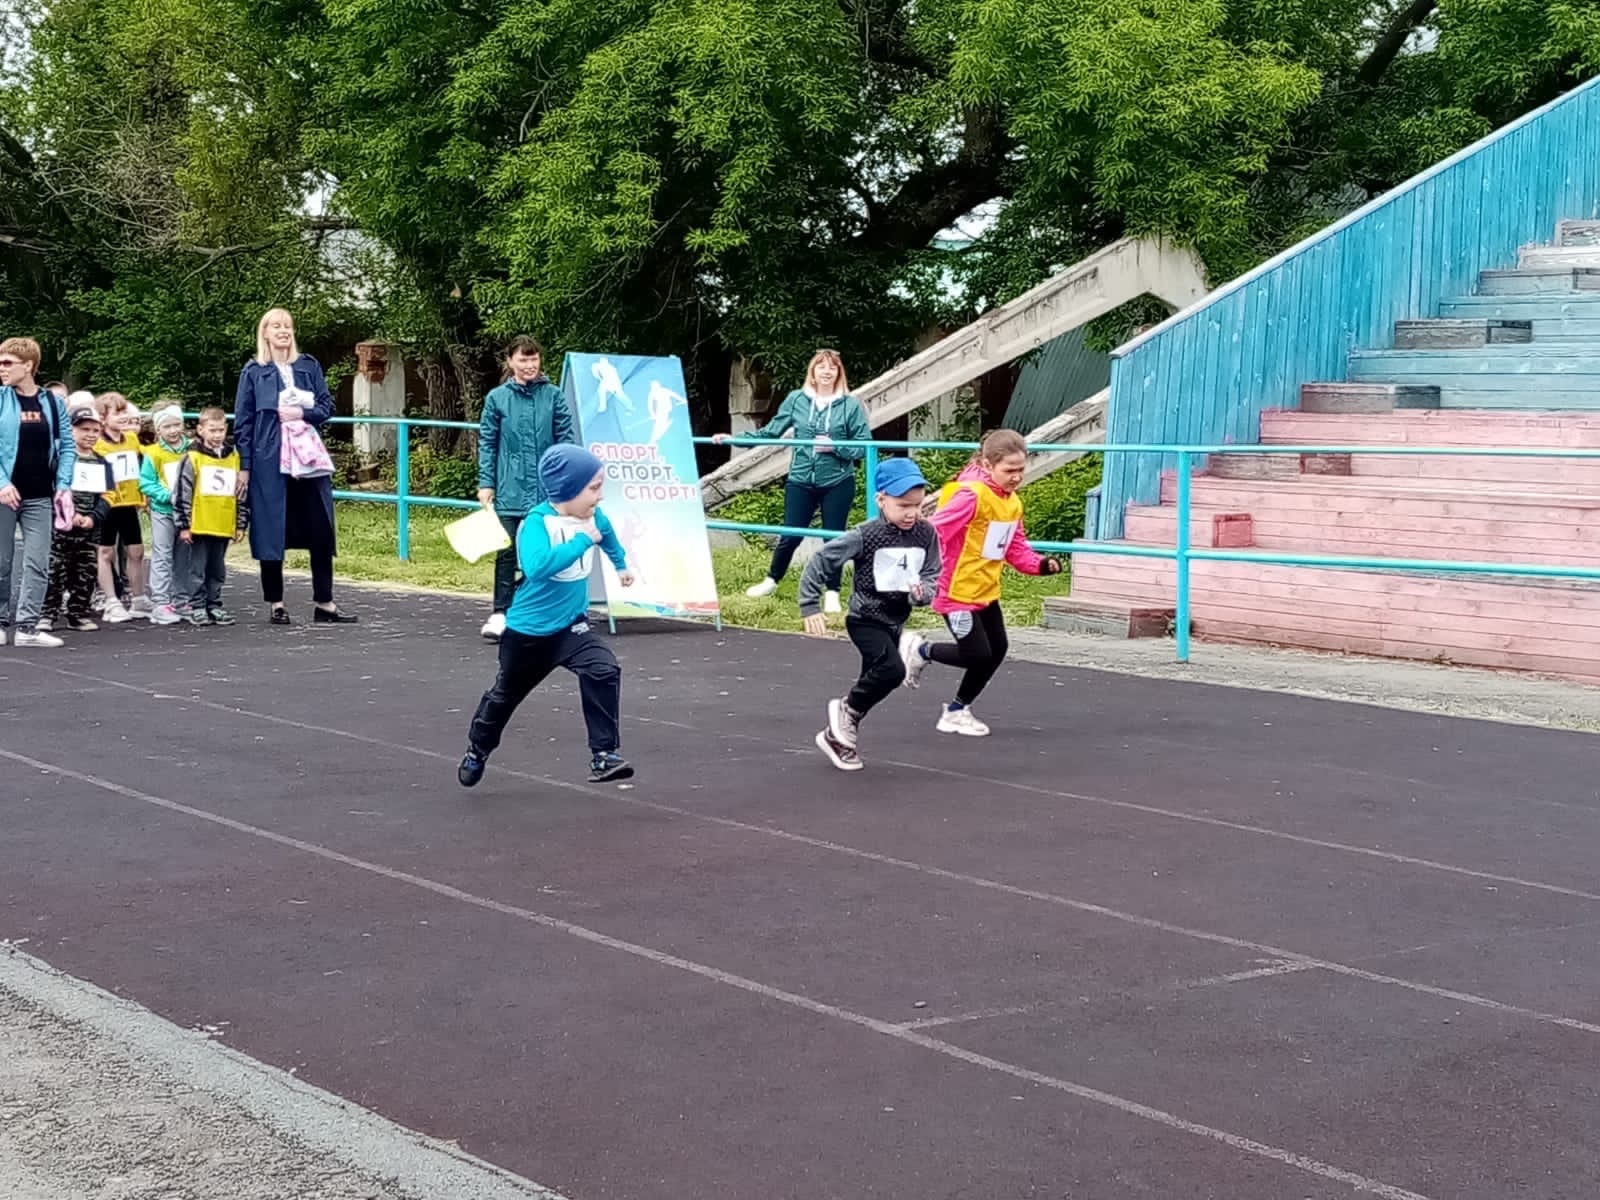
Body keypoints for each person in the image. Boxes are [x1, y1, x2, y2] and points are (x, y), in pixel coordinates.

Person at [458, 444, 637, 789]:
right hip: (528, 634)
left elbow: (608, 534)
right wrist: (583, 542)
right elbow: (539, 567)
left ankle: (604, 755)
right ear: (566, 490)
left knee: (603, 669)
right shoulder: (537, 524)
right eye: (593, 488)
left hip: (571, 627)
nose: (600, 497)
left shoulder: (593, 518)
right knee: (504, 696)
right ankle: (478, 749)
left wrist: (621, 565)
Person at [900, 429, 1062, 737]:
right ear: (988, 466)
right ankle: (921, 651)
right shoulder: (970, 496)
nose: (1016, 477)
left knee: (997, 649)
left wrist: (1040, 565)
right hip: (955, 591)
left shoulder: (1011, 502)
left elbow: (1015, 547)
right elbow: (934, 531)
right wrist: (913, 569)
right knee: (976, 654)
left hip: (985, 590)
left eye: (1021, 470)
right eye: (1009, 470)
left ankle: (957, 710)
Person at [798, 458, 941, 771]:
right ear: (881, 500)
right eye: (903, 505)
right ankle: (845, 711)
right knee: (892, 672)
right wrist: (810, 604)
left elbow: (932, 572)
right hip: (864, 619)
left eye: (918, 505)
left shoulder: (926, 534)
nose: (911, 513)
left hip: (896, 620)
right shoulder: (865, 535)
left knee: (873, 681)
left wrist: (924, 593)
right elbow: (821, 561)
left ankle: (836, 738)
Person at [711, 349, 871, 612]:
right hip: (800, 478)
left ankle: (831, 592)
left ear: (839, 372)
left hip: (838, 480)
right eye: (821, 367)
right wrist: (733, 439)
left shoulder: (850, 405)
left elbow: (864, 446)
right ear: (813, 371)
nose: (827, 371)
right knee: (790, 534)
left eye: (832, 367)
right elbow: (771, 432)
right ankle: (771, 580)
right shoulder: (797, 399)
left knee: (832, 537)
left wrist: (835, 447)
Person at [233, 307, 355, 625]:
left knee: (321, 529)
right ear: (265, 333)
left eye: (287, 326)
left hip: (308, 459)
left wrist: (302, 414)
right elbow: (243, 422)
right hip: (269, 460)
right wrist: (245, 465)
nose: (283, 331)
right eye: (276, 326)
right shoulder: (254, 371)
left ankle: (325, 603)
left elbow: (326, 406)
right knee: (271, 529)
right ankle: (276, 603)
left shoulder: (308, 366)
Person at [476, 335, 576, 642]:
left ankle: (546, 612)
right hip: (509, 486)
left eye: (534, 359)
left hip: (547, 490)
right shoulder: (497, 398)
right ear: (510, 362)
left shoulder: (554, 396)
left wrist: (565, 482)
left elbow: (566, 440)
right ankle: (500, 612)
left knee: (546, 553)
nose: (530, 365)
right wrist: (486, 482)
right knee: (506, 551)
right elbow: (488, 442)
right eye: (523, 359)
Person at [0, 337, 74, 648]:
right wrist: (2, 482)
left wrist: (64, 485)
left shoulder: (52, 403)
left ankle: (28, 625)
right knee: (2, 561)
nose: (1, 369)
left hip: (40, 495)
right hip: (5, 494)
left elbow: (67, 446)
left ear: (28, 366)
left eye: (7, 363)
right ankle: (1, 622)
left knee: (37, 561)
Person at [173, 406, 248, 626]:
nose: (217, 435)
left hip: (223, 522)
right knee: (197, 568)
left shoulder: (233, 456)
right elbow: (182, 492)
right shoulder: (192, 457)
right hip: (200, 523)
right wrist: (184, 525)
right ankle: (197, 605)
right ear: (201, 430)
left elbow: (240, 491)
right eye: (212, 430)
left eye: (221, 430)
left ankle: (214, 605)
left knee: (217, 568)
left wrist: (240, 523)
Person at [41, 407, 113, 634]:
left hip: (89, 529)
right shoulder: (60, 459)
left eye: (95, 430)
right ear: (71, 430)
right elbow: (50, 490)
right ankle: (47, 613)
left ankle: (78, 613)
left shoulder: (103, 463)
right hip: (61, 526)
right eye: (84, 429)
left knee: (85, 572)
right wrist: (67, 515)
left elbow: (109, 495)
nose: (90, 434)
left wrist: (93, 517)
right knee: (54, 570)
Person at [92, 392, 149, 623]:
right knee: (106, 552)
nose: (124, 417)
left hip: (129, 504)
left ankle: (138, 598)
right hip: (107, 504)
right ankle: (111, 601)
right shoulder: (97, 444)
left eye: (126, 411)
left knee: (136, 551)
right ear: (103, 418)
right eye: (119, 412)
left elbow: (144, 464)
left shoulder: (132, 440)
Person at [139, 403, 190, 624]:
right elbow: (146, 483)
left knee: (185, 556)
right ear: (158, 430)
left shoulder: (193, 449)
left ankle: (182, 599)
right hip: (163, 511)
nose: (172, 430)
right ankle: (161, 602)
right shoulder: (153, 453)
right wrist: (168, 495)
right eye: (167, 426)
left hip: (188, 513)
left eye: (176, 424)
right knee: (162, 554)